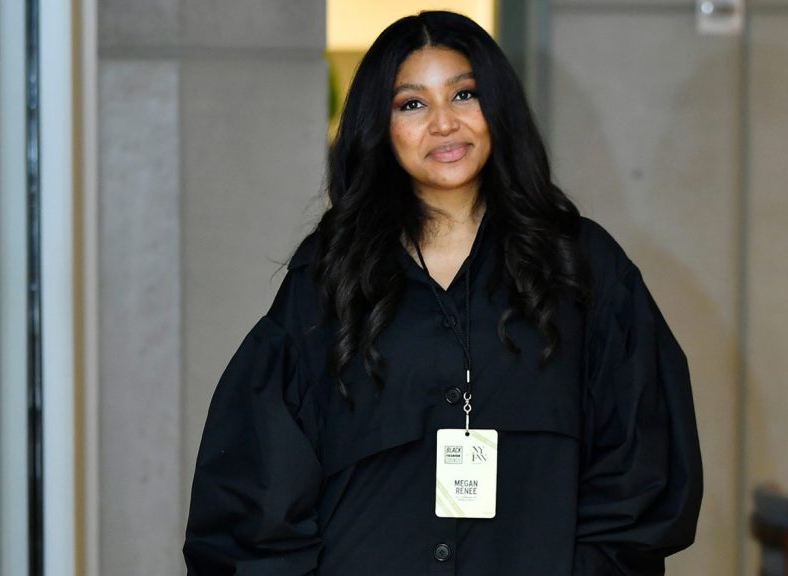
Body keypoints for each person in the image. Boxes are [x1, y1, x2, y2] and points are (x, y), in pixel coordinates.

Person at [183, 10, 702, 576]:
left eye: (464, 95)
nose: (443, 123)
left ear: (497, 108)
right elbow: (257, 479)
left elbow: (641, 468)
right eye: (412, 104)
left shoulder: (583, 266)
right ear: (381, 127)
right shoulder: (330, 273)